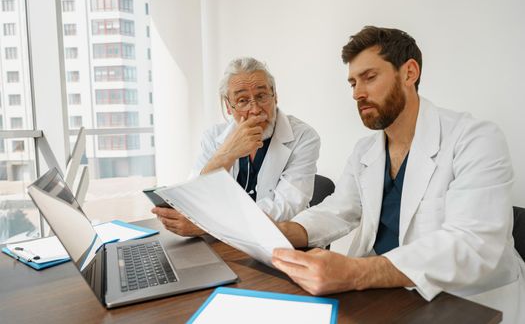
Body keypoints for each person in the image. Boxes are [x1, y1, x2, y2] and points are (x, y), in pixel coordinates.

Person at [272, 26, 525, 323]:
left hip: (463, 302)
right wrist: (285, 231)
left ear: (409, 73)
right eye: (352, 82)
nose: (357, 93)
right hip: (384, 295)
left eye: (369, 77)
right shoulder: (365, 150)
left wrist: (354, 272)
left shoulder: (475, 139)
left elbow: (472, 243)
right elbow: (339, 210)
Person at [152, 57, 320, 236]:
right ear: (228, 106)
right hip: (225, 241)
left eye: (261, 96)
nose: (255, 110)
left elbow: (285, 208)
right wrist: (227, 153)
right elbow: (195, 197)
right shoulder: (213, 137)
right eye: (242, 100)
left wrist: (208, 225)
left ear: (275, 96)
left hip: (280, 241)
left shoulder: (304, 137)